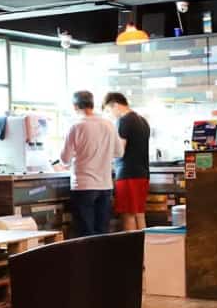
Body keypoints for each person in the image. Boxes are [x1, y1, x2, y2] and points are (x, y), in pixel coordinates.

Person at [56, 90, 121, 236]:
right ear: (92, 104)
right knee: (102, 232)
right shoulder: (109, 124)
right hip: (105, 185)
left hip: (83, 185)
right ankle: (101, 259)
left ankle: (87, 259)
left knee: (85, 233)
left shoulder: (76, 126)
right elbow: (119, 153)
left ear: (75, 106)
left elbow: (65, 158)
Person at [103, 92, 150, 232]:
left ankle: (131, 251)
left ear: (115, 105)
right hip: (142, 173)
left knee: (128, 215)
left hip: (128, 173)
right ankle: (143, 250)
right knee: (139, 214)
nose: (110, 114)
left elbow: (119, 150)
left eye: (109, 110)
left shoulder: (124, 121)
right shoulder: (143, 121)